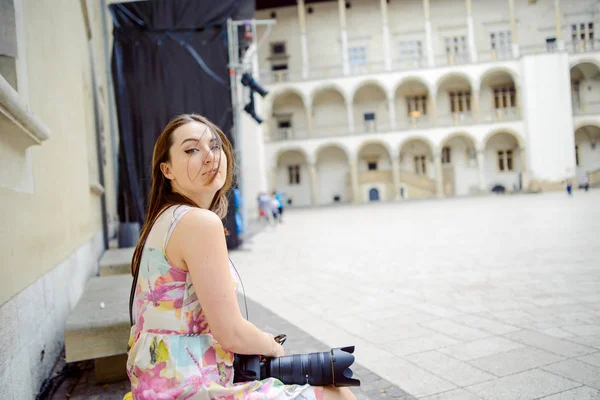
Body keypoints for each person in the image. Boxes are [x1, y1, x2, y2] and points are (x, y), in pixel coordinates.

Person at [127, 114, 355, 400]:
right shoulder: (198, 222)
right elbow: (231, 333)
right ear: (167, 169)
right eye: (191, 150)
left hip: (157, 382)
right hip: (189, 386)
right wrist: (272, 345)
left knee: (328, 383)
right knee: (337, 394)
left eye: (214, 146)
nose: (210, 157)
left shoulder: (163, 219)